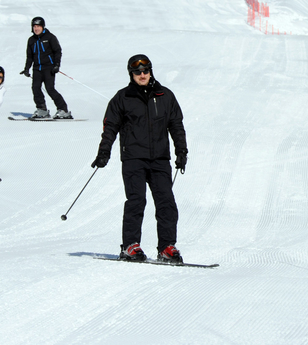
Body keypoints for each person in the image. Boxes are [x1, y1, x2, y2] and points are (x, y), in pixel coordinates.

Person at [91, 54, 188, 264]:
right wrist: (103, 152)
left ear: (151, 71)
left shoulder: (165, 96)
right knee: (136, 201)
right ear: (131, 74)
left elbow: (176, 125)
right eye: (137, 72)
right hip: (133, 158)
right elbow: (110, 127)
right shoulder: (123, 97)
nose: (142, 75)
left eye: (145, 71)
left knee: (166, 203)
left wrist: (182, 151)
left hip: (160, 159)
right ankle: (130, 246)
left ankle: (167, 247)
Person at [19, 16, 72, 119]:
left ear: (43, 27)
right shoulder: (31, 40)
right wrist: (26, 68)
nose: (36, 28)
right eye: (34, 26)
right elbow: (29, 56)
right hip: (37, 68)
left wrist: (57, 65)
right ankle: (42, 110)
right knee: (35, 88)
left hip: (49, 68)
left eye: (38, 26)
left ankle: (63, 110)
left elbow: (57, 51)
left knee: (50, 89)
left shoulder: (50, 37)